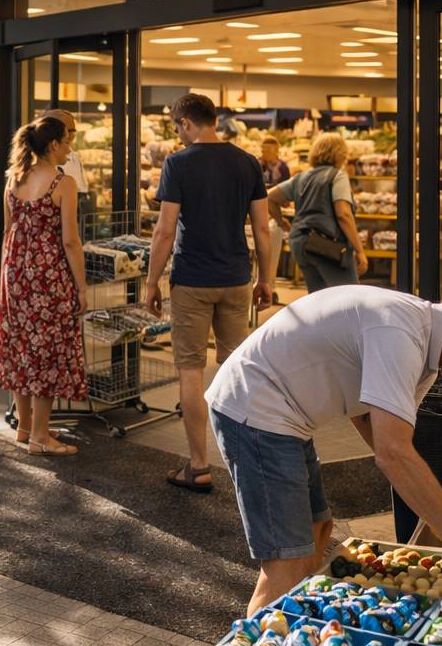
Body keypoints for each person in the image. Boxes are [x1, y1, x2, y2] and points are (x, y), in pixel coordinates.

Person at [206, 284, 442, 618]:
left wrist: (435, 507)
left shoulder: (423, 349)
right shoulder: (401, 334)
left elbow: (375, 427)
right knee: (285, 563)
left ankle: (297, 622)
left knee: (319, 531)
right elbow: (393, 454)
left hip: (286, 415)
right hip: (256, 409)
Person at [143, 93, 271, 493]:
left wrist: (151, 281)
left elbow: (165, 230)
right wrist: (265, 278)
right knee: (239, 371)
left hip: (193, 281)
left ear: (184, 122)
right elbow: (262, 229)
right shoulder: (247, 162)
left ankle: (199, 465)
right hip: (236, 278)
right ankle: (250, 463)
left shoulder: (177, 164)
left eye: (176, 127)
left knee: (190, 370)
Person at [0, 115, 89, 456]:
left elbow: (8, 231)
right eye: (67, 142)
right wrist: (81, 286)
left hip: (15, 273)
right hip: (48, 276)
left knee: (20, 347)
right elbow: (70, 241)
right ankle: (41, 436)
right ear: (53, 145)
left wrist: (7, 275)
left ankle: (23, 427)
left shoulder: (14, 179)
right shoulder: (63, 183)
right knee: (46, 352)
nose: (69, 148)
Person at [267, 133, 368, 293]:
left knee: (318, 299)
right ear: (340, 154)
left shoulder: (301, 177)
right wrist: (360, 250)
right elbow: (343, 214)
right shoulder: (337, 176)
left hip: (301, 244)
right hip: (327, 246)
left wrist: (281, 222)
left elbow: (270, 198)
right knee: (348, 298)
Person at [258, 136, 290, 302]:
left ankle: (270, 285)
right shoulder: (257, 164)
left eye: (267, 150)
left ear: (276, 151)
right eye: (262, 149)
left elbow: (286, 199)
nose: (263, 153)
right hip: (258, 214)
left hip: (273, 216)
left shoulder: (283, 168)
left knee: (273, 250)